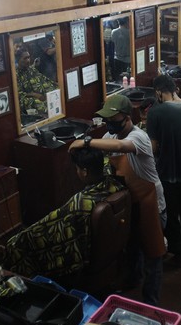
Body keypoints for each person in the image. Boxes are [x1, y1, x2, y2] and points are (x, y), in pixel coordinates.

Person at [70, 95, 166, 305]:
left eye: (114, 119)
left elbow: (123, 147)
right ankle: (133, 279)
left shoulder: (139, 137)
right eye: (107, 119)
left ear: (127, 117)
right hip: (131, 201)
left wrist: (85, 141)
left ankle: (151, 301)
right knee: (133, 247)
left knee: (153, 253)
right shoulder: (109, 136)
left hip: (152, 204)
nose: (109, 124)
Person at [1, 148, 125, 277]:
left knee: (17, 244)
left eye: (77, 169)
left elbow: (47, 226)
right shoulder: (113, 184)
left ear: (84, 172)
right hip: (106, 250)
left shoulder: (79, 204)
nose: (77, 172)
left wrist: (16, 242)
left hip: (87, 256)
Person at [147, 75, 181, 267]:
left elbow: (152, 148)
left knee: (169, 210)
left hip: (168, 169)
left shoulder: (155, 113)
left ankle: (177, 250)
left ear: (158, 92)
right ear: (175, 89)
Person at [15, 46, 58, 116]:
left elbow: (43, 79)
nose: (28, 60)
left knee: (57, 91)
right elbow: (19, 94)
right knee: (37, 103)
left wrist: (57, 85)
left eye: (28, 57)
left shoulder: (31, 70)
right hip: (27, 99)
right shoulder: (16, 75)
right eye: (25, 58)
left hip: (40, 94)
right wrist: (35, 95)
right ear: (18, 60)